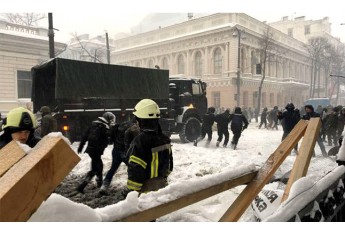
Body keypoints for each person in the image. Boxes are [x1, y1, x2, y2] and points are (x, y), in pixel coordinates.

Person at [127, 99, 173, 194]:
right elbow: (169, 166)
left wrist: (132, 191)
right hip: (162, 188)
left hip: (146, 193)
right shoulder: (165, 139)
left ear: (141, 120)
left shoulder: (140, 141)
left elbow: (136, 170)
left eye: (137, 120)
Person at [76, 112, 115, 193]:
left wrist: (81, 146)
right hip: (96, 150)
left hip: (91, 150)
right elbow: (109, 140)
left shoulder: (93, 124)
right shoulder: (104, 127)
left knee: (99, 165)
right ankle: (82, 186)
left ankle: (99, 183)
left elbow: (84, 136)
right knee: (94, 169)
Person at [99, 117, 140, 195]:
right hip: (125, 152)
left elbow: (113, 137)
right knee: (132, 169)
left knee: (113, 168)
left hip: (116, 150)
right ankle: (130, 188)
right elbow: (136, 141)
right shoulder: (134, 127)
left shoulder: (122, 124)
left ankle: (104, 187)